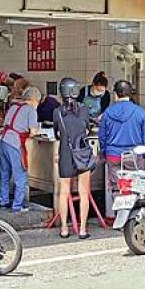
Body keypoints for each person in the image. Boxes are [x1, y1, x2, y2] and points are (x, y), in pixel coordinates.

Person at [98, 80, 145, 219]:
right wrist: (144, 156)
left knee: (116, 187)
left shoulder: (108, 113)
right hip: (134, 156)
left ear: (116, 95)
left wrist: (104, 152)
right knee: (135, 186)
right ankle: (133, 217)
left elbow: (102, 136)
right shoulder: (140, 112)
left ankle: (120, 215)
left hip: (113, 156)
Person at [53, 78, 92, 239]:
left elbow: (57, 134)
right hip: (81, 152)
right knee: (84, 192)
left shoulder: (57, 112)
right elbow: (88, 130)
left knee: (64, 192)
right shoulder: (84, 109)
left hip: (65, 153)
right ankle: (82, 230)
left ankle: (64, 229)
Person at [0, 86, 42, 213]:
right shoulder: (31, 110)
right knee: (20, 175)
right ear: (34, 100)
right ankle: (18, 206)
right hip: (14, 143)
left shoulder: (14, 106)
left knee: (5, 173)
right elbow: (33, 132)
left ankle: (3, 201)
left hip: (2, 139)